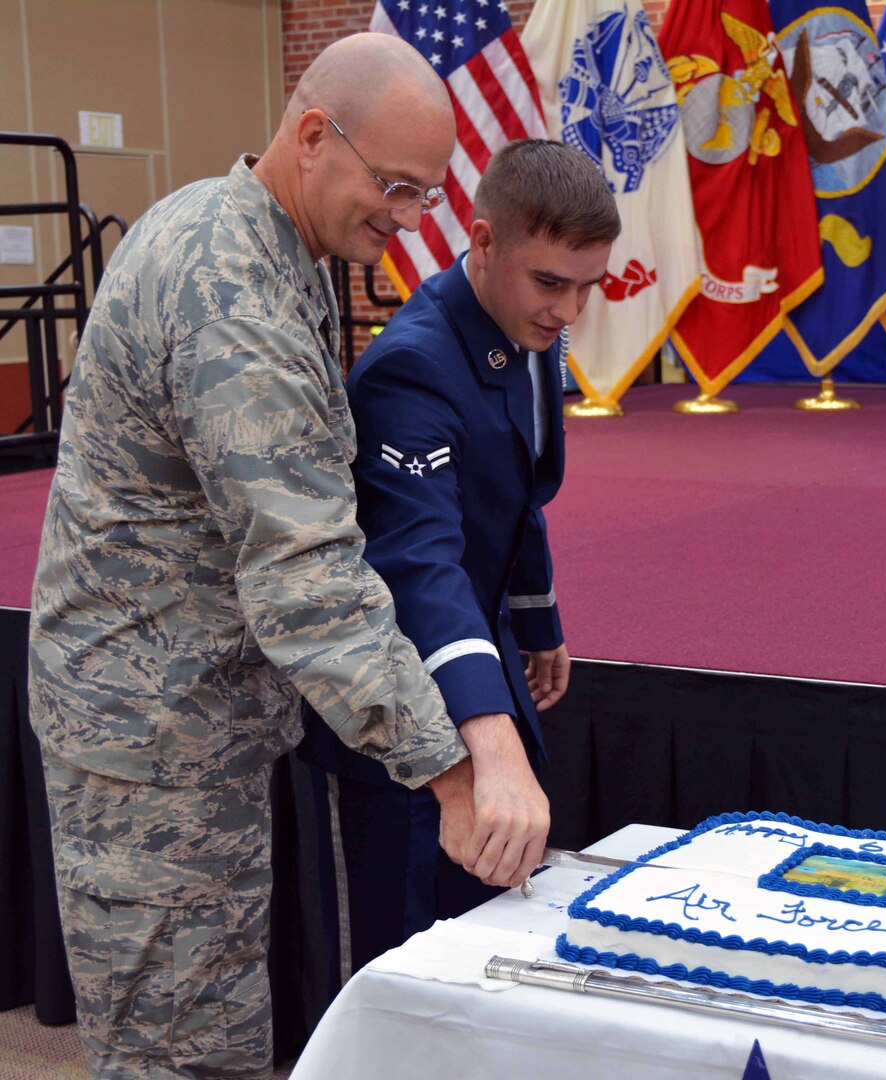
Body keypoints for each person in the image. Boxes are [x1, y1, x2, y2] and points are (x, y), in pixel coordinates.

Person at [27, 33, 548, 1080]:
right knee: (180, 1054)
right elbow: (306, 575)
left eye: (424, 197)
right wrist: (453, 769)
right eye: (395, 188)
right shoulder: (231, 288)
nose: (407, 223)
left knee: (210, 1026)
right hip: (151, 744)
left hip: (190, 718)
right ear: (314, 136)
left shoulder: (269, 244)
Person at [295, 139, 619, 980]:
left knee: (484, 934)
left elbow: (513, 485)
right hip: (404, 708)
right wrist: (490, 735)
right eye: (552, 282)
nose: (570, 310)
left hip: (483, 654)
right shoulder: (414, 367)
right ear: (482, 241)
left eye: (590, 285)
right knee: (404, 956)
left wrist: (535, 614)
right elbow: (418, 569)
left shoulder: (522, 323)